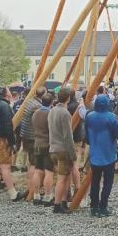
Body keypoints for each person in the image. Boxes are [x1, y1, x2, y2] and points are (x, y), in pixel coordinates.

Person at [84, 93, 118, 217]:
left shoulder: (89, 116)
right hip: (109, 154)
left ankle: (93, 206)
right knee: (108, 182)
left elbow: (86, 136)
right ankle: (103, 206)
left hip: (95, 154)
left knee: (95, 181)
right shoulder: (112, 117)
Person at [48, 86, 77, 214]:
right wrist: (73, 153)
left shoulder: (52, 110)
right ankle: (57, 204)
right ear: (68, 98)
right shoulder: (65, 113)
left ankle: (63, 201)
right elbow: (68, 136)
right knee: (62, 178)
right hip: (62, 149)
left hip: (53, 148)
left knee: (64, 177)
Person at [20, 86, 45, 199]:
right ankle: (32, 189)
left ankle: (31, 188)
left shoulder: (31, 101)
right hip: (32, 138)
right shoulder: (37, 106)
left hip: (26, 136)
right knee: (34, 165)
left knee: (32, 164)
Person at [31, 92, 55, 206]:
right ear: (51, 102)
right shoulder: (50, 114)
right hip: (47, 145)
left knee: (38, 170)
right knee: (49, 171)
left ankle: (36, 195)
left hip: (37, 144)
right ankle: (47, 195)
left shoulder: (35, 113)